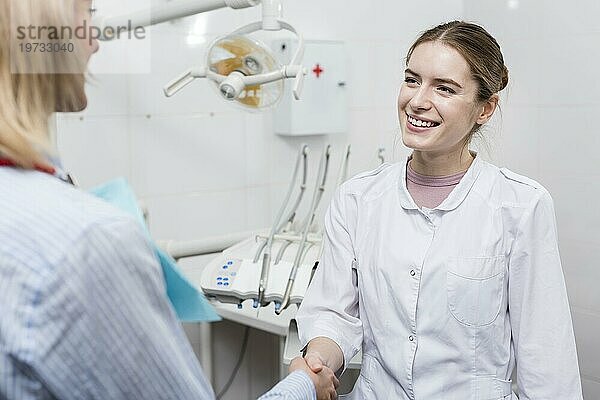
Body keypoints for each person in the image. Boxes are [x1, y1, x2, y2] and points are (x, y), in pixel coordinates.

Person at [0, 1, 338, 399]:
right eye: (87, 14)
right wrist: (304, 386)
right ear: (45, 31)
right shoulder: (86, 242)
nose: (95, 40)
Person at [292, 21, 583, 399]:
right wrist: (315, 362)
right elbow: (333, 315)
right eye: (412, 80)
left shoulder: (520, 206)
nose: (417, 101)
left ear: (485, 108)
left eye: (444, 88)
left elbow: (547, 360)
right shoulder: (357, 199)